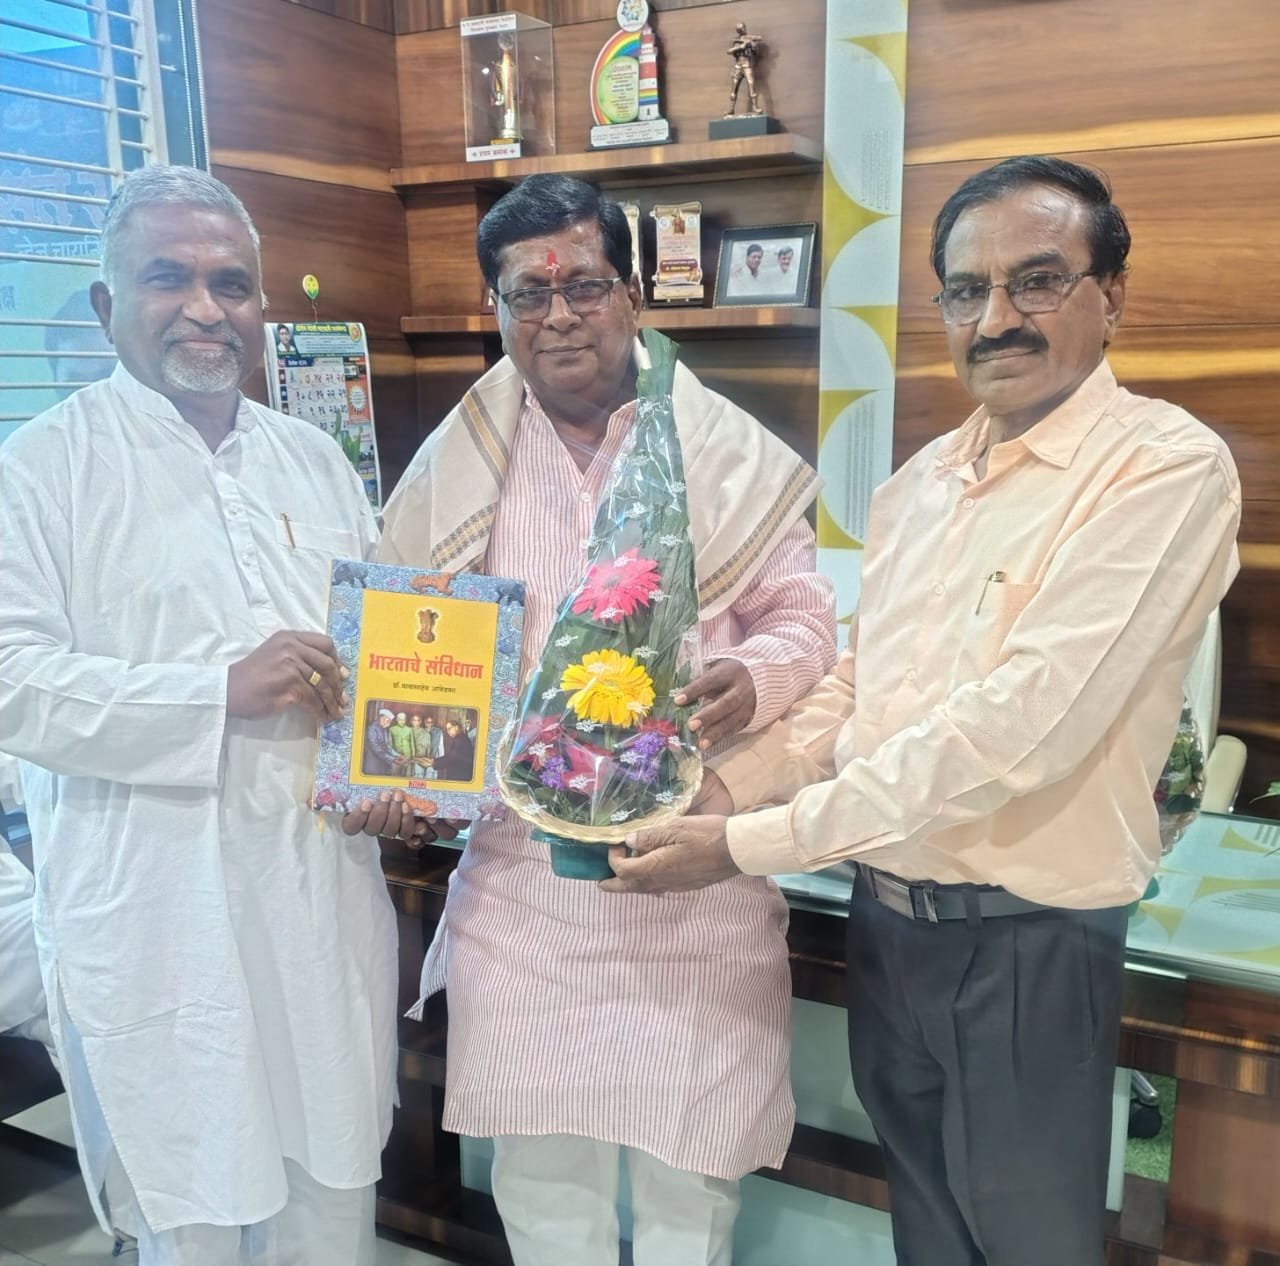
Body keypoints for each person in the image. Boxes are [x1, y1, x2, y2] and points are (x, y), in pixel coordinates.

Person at [607, 155, 1241, 1266]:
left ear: (1109, 296)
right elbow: (860, 689)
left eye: (1035, 281)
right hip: (888, 928)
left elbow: (1019, 730)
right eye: (965, 290)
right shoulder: (917, 486)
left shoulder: (1162, 469)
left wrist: (748, 843)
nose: (994, 319)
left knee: (1031, 1244)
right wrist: (723, 791)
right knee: (927, 1235)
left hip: (1029, 942)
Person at [357, 172, 836, 1266]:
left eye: (583, 285)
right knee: (545, 1201)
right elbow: (404, 655)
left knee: (687, 1204)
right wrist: (396, 774)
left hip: (691, 882)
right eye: (528, 293)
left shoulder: (718, 450)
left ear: (632, 295)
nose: (558, 314)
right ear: (497, 310)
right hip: (525, 902)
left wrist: (753, 674)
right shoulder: (457, 469)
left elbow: (806, 618)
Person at [0, 165, 402, 1266]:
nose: (204, 308)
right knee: (196, 1208)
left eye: (231, 284)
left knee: (329, 1192)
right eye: (167, 278)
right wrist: (213, 691)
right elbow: (11, 683)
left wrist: (395, 773)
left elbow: (377, 655)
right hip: (159, 915)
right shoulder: (39, 471)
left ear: (261, 305)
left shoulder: (313, 461)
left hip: (317, 897)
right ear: (106, 305)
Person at [725, 22, 764, 117]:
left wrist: (752, 45)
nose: (743, 30)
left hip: (747, 66)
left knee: (751, 86)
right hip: (738, 67)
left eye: (743, 28)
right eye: (741, 29)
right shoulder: (737, 41)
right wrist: (740, 47)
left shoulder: (750, 40)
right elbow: (729, 51)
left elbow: (757, 53)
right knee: (734, 89)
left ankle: (755, 107)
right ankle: (731, 109)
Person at [365, 706, 403, 775]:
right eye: (388, 721)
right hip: (374, 764)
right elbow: (376, 748)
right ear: (382, 718)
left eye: (390, 722)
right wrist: (392, 759)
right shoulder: (372, 728)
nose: (389, 723)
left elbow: (387, 746)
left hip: (384, 764)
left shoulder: (383, 729)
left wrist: (398, 755)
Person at [436, 718, 475, 782]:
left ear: (456, 727)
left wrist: (434, 763)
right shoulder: (460, 738)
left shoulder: (460, 739)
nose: (448, 732)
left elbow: (451, 758)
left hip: (460, 777)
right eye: (447, 730)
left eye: (449, 729)